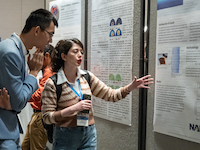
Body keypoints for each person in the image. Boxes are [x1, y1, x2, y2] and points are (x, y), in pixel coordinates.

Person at [41, 38, 154, 150]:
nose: (80, 55)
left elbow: (110, 95)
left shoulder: (86, 77)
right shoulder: (53, 83)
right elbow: (47, 117)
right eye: (75, 52)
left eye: (82, 52)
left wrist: (130, 87)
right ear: (64, 56)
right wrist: (73, 109)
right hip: (65, 135)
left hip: (88, 133)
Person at [0, 9, 58, 150]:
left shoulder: (16, 50)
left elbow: (18, 99)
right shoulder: (11, 52)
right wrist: (33, 73)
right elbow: (19, 101)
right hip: (4, 132)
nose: (50, 40)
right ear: (37, 30)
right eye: (50, 34)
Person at [21, 45, 55, 150]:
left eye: (37, 55)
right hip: (36, 115)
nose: (34, 58)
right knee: (24, 146)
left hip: (40, 116)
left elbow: (40, 94)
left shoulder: (49, 72)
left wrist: (21, 95)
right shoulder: (46, 71)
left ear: (47, 56)